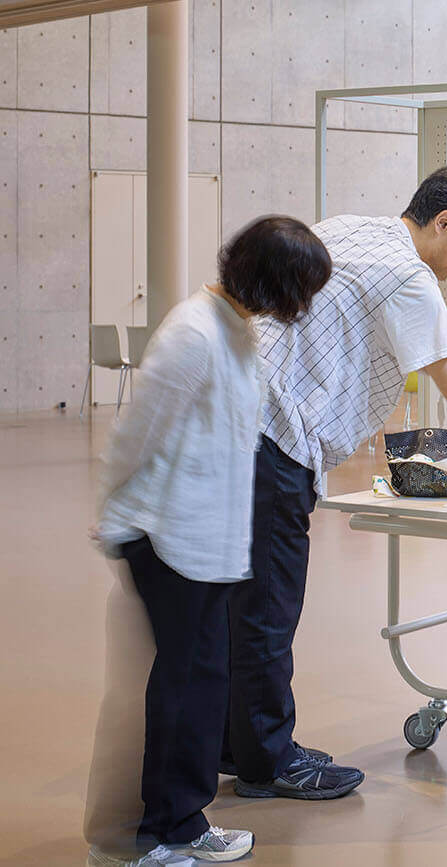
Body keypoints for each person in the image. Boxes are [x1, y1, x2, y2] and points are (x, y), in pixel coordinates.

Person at [221, 164, 447, 800]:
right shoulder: (409, 273)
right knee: (269, 609)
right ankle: (267, 762)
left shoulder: (349, 230)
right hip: (274, 442)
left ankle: (236, 740)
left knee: (239, 601)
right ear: (443, 223)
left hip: (235, 421)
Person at [90, 217, 332, 865]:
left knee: (200, 687)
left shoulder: (236, 327)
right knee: (184, 692)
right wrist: (116, 517)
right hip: (167, 540)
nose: (301, 307)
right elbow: (133, 436)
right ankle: (154, 837)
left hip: (207, 543)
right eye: (300, 290)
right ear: (275, 281)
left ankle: (181, 824)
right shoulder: (193, 334)